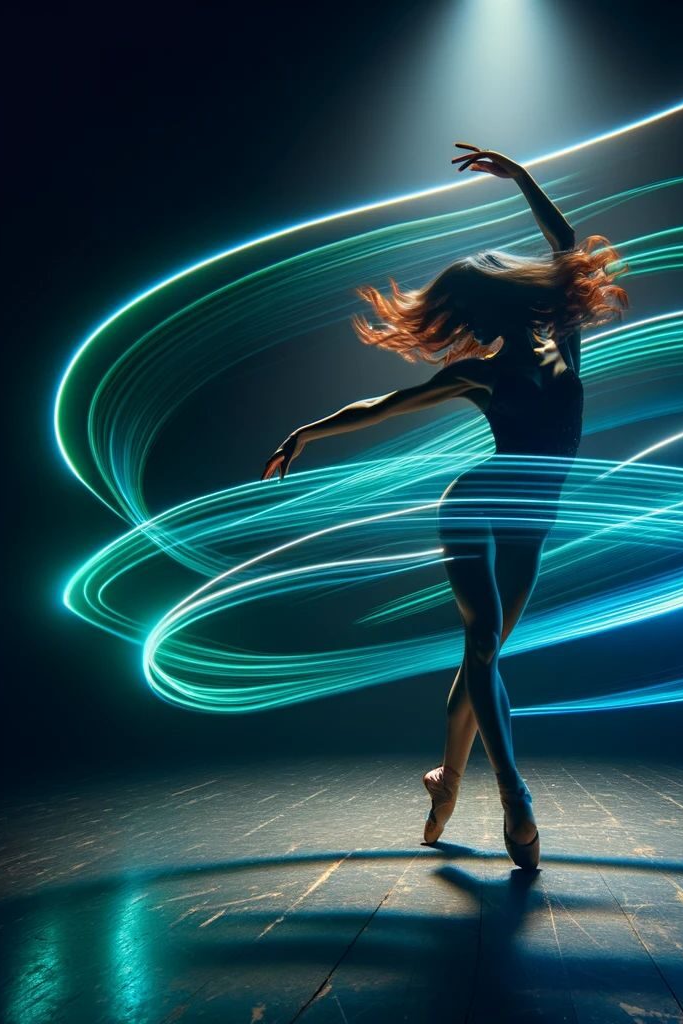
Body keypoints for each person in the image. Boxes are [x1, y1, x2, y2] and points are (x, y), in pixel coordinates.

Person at [262, 143, 627, 868]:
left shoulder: (564, 343)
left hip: (530, 523)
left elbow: (563, 244)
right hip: (476, 506)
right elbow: (384, 403)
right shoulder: (485, 374)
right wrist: (307, 432)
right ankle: (517, 802)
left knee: (481, 656)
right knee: (485, 646)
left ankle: (448, 777)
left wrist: (522, 176)